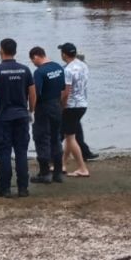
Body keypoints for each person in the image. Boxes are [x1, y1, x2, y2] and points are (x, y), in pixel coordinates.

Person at [0, 38, 36, 198]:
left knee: (4, 152)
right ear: (15, 51)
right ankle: (23, 188)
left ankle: (4, 188)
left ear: (1, 51)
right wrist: (31, 111)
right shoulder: (25, 70)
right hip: (21, 116)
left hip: (3, 117)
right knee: (21, 152)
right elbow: (32, 93)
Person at [28, 46, 66, 184]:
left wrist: (31, 110)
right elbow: (63, 88)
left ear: (36, 56)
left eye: (33, 61)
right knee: (56, 138)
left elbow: (36, 93)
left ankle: (44, 173)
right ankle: (57, 173)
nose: (33, 63)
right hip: (57, 105)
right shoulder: (58, 67)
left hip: (43, 107)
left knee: (41, 137)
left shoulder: (39, 72)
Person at [59, 42, 90, 177]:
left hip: (71, 106)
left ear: (64, 54)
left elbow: (66, 92)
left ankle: (82, 168)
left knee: (71, 138)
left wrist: (62, 106)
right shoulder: (83, 65)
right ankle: (62, 164)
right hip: (83, 104)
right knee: (69, 135)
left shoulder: (67, 70)